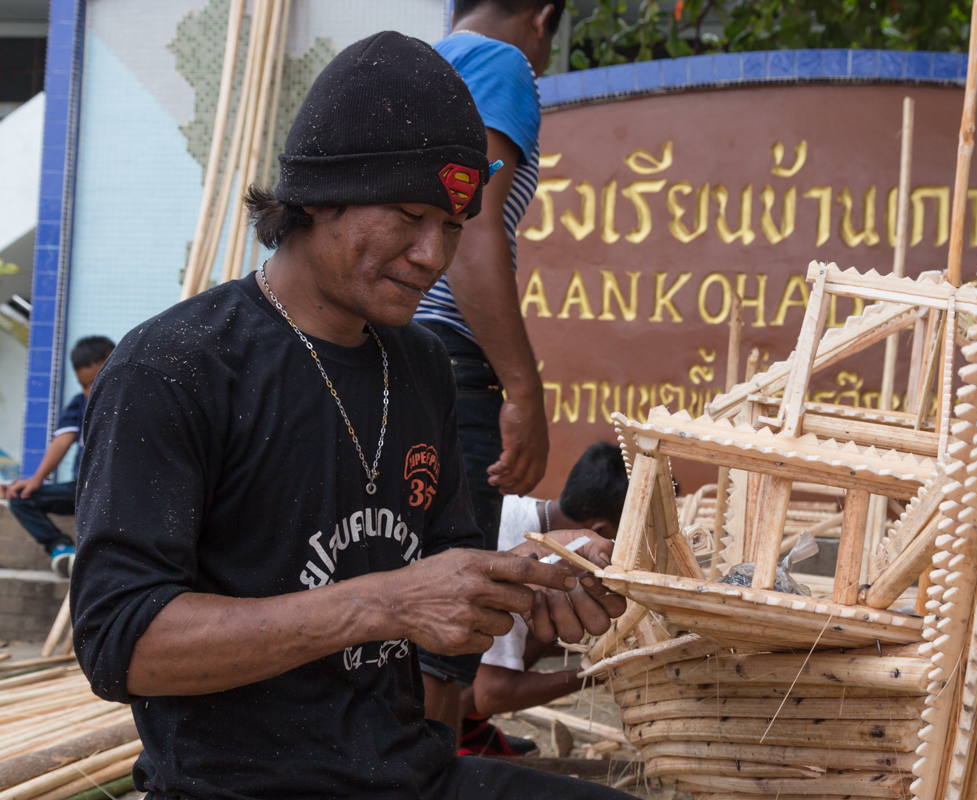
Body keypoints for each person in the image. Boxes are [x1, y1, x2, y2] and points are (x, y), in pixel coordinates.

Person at [71, 32, 631, 800]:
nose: (433, 254)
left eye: (454, 227)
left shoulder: (424, 365)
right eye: (409, 214)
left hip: (411, 776)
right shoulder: (174, 368)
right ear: (317, 193)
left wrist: (536, 581)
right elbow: (118, 642)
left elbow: (448, 588)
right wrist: (385, 601)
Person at [412, 0, 560, 728]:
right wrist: (523, 391)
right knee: (447, 632)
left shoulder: (425, 66)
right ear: (542, 14)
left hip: (381, 361)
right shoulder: (501, 64)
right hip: (441, 367)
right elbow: (471, 235)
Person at [459, 442, 628, 756]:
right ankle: (451, 732)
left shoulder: (517, 507)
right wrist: (599, 672)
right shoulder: (518, 546)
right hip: (412, 693)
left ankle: (467, 726)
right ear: (601, 530)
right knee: (543, 600)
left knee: (556, 605)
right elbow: (492, 694)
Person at [2, 336, 114, 577]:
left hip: (117, 491)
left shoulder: (130, 401)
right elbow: (62, 439)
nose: (88, 392)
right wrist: (36, 479)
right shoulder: (79, 404)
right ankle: (61, 550)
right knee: (21, 499)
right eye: (83, 385)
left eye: (94, 382)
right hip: (82, 490)